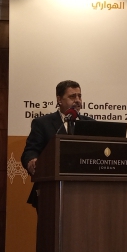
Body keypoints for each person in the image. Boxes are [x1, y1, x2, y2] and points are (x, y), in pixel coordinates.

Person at [20, 80, 94, 208]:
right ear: (59, 99)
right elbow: (30, 151)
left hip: (85, 191)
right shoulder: (43, 123)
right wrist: (32, 160)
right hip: (50, 190)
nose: (77, 100)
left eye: (79, 96)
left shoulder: (91, 124)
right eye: (72, 96)